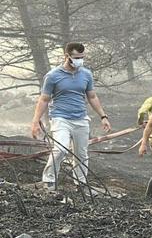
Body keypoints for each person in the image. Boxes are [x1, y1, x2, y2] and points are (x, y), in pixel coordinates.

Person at [31, 42, 112, 190]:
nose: (79, 60)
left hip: (81, 118)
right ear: (66, 56)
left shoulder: (86, 74)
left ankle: (80, 182)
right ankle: (49, 179)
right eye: (76, 57)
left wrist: (103, 116)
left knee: (81, 153)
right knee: (60, 148)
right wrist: (36, 121)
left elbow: (92, 97)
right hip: (60, 117)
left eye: (82, 57)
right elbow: (44, 99)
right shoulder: (52, 76)